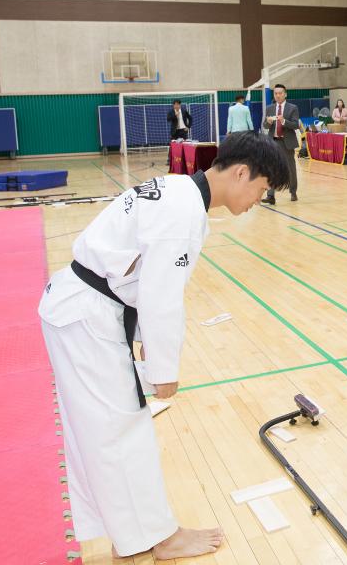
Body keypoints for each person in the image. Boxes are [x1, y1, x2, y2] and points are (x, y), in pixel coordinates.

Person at [38, 132, 289, 560]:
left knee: (107, 432)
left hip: (87, 310)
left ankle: (130, 534)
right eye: (262, 189)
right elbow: (160, 296)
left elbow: (140, 275)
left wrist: (141, 344)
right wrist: (163, 370)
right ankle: (154, 538)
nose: (257, 200)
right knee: (119, 432)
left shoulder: (179, 189)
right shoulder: (182, 211)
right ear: (242, 172)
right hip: (89, 317)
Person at [262, 84, 300, 203]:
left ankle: (293, 192)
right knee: (271, 168)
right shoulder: (269, 108)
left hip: (286, 142)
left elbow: (295, 125)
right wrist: (268, 123)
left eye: (280, 93)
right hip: (273, 142)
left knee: (290, 169)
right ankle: (270, 195)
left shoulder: (292, 108)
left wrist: (284, 121)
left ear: (285, 94)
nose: (278, 95)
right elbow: (265, 125)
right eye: (275, 93)